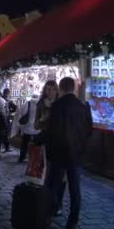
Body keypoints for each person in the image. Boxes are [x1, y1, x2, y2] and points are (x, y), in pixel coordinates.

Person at [46, 77, 92, 229]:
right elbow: (88, 130)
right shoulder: (83, 106)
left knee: (52, 186)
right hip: (76, 154)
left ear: (61, 88)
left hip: (59, 152)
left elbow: (51, 130)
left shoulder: (56, 106)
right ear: (74, 88)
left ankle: (48, 217)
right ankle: (72, 223)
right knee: (75, 188)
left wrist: (39, 141)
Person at [35, 81, 64, 213]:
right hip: (46, 142)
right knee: (47, 174)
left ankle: (57, 203)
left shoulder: (60, 104)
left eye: (52, 89)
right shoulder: (41, 104)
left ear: (57, 90)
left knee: (60, 176)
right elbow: (35, 125)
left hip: (59, 142)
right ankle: (49, 202)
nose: (50, 92)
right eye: (48, 89)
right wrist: (42, 120)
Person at [11, 93, 40, 163]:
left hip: (28, 128)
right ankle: (35, 159)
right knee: (36, 145)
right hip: (37, 129)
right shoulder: (41, 103)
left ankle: (22, 157)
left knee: (24, 144)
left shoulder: (28, 103)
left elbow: (21, 113)